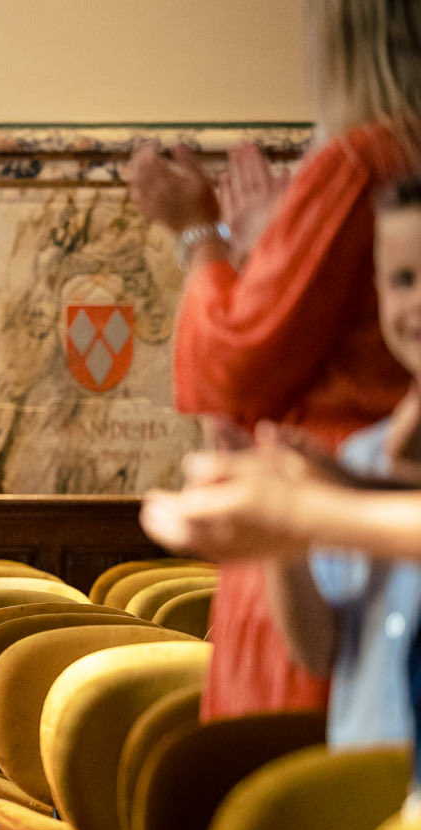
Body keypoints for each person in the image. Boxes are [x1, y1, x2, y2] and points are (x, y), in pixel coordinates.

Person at [125, 0, 421, 721]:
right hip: (351, 496)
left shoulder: (363, 157)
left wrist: (201, 235)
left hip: (328, 538)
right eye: (403, 280)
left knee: (294, 793)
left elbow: (236, 366)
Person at [142, 176, 421, 752]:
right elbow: (315, 649)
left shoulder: (344, 484)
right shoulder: (363, 455)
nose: (417, 301)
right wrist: (280, 545)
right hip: (364, 795)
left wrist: (306, 511)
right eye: (403, 279)